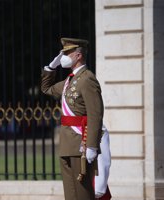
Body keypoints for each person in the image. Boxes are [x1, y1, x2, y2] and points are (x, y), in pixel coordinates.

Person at [41, 38, 111, 200]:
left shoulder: (87, 79)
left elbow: (95, 113)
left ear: (78, 55)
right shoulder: (69, 80)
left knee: (82, 192)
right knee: (70, 192)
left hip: (81, 142)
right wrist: (51, 68)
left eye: (66, 53)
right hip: (67, 142)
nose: (63, 56)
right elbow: (46, 89)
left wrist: (92, 146)